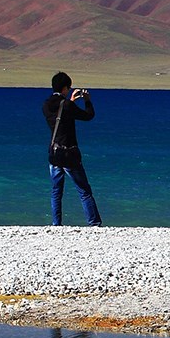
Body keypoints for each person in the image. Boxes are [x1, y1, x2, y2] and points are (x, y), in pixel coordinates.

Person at [43, 72, 103, 227]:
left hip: (54, 154)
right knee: (84, 191)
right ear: (65, 88)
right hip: (69, 154)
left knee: (56, 192)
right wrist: (87, 101)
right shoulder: (68, 105)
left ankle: (56, 224)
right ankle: (94, 223)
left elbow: (60, 116)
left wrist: (70, 101)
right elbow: (88, 116)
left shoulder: (46, 105)